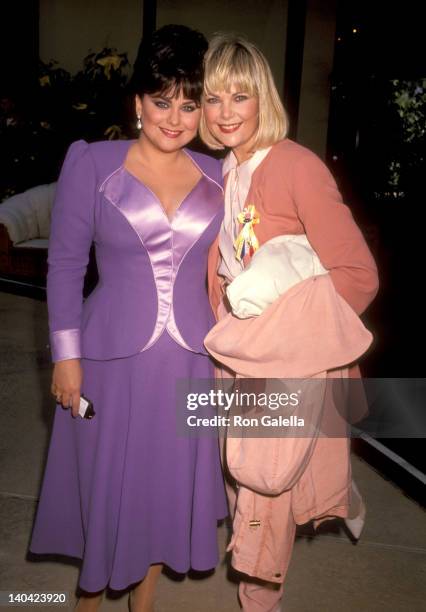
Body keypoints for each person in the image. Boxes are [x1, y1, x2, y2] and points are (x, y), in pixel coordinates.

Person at [29, 25, 227, 612]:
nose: (175, 117)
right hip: (107, 362)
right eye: (162, 100)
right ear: (138, 102)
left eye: (190, 104)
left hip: (192, 362)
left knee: (165, 491)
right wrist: (66, 357)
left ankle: (145, 603)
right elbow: (64, 266)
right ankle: (85, 603)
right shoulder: (92, 163)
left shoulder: (220, 177)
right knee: (103, 487)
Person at [200, 34, 379, 611]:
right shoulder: (225, 169)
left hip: (279, 364)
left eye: (239, 97)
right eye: (211, 98)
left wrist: (283, 338)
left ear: (264, 99)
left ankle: (258, 604)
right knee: (242, 482)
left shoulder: (296, 165)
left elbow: (357, 275)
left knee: (262, 494)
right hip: (236, 357)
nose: (225, 113)